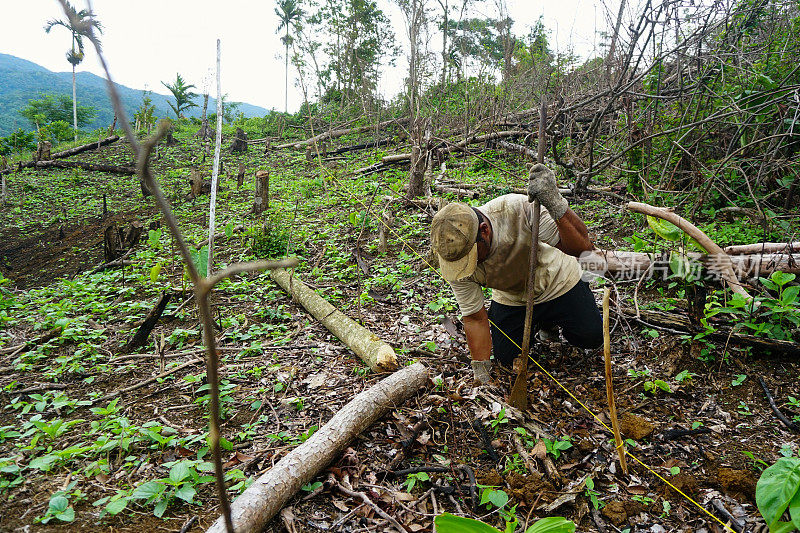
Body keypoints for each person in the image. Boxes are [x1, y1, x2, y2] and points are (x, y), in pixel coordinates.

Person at [430, 164, 603, 385]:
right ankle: (539, 324)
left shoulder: (514, 209)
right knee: (505, 358)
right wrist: (481, 373)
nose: (468, 266)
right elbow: (474, 318)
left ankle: (551, 322)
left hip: (558, 280)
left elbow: (582, 249)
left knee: (591, 336)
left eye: (472, 256)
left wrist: (557, 204)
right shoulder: (453, 257)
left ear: (484, 231)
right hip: (512, 297)